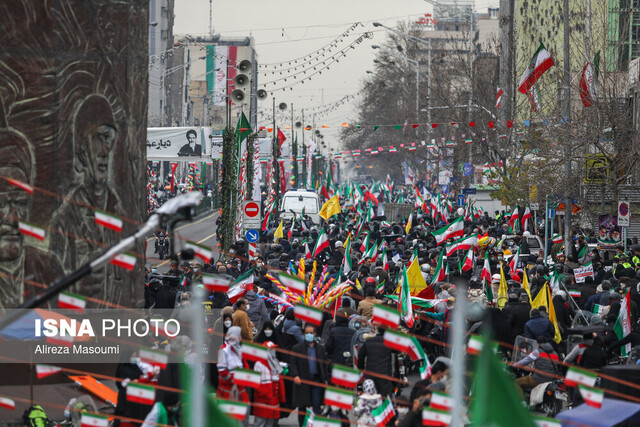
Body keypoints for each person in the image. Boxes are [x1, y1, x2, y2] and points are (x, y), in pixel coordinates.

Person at [290, 324, 327, 426]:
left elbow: (324, 364)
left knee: (316, 405)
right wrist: (295, 375)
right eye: (307, 333)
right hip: (303, 380)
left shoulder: (320, 348)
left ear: (315, 334)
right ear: (303, 334)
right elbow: (293, 363)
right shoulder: (297, 348)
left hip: (316, 380)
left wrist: (325, 379)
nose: (309, 335)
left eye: (311, 333)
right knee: (302, 406)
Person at [253, 342, 285, 427]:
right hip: (263, 398)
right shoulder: (259, 364)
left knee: (270, 423)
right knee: (259, 422)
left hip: (274, 398)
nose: (273, 351)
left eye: (274, 349)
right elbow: (255, 383)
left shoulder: (275, 362)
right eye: (271, 349)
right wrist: (263, 392)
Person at [357, 325, 393, 397]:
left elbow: (360, 356)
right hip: (384, 375)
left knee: (370, 396)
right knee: (385, 398)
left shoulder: (368, 341)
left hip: (370, 374)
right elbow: (398, 351)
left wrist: (361, 369)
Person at [216, 326, 249, 403]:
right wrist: (232, 380)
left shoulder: (239, 348)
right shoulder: (223, 349)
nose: (241, 337)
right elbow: (222, 370)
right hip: (227, 388)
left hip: (240, 386)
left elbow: (244, 364)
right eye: (239, 335)